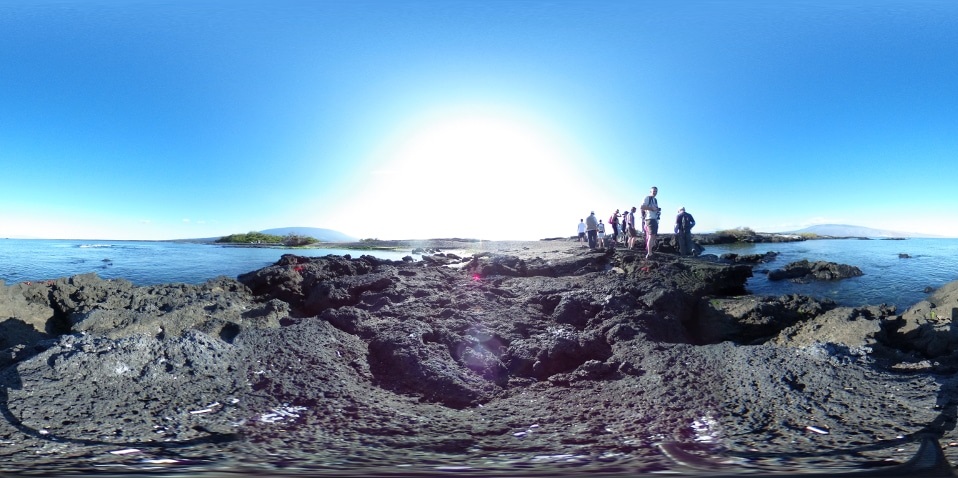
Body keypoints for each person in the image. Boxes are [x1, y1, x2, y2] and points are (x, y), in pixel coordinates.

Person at [641, 186, 660, 259]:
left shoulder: (655, 200)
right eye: (653, 191)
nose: (655, 193)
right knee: (651, 236)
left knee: (654, 236)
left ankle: (650, 251)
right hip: (649, 219)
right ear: (650, 191)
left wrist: (657, 210)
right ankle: (649, 254)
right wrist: (651, 208)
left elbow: (654, 209)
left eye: (656, 191)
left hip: (654, 219)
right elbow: (642, 206)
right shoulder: (647, 198)